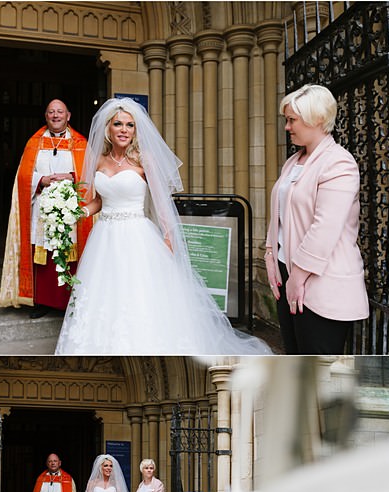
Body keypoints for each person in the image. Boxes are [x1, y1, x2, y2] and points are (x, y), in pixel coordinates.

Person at [54, 97, 271, 355]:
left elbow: (161, 202)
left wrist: (169, 238)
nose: (124, 130)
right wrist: (75, 212)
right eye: (118, 124)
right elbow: (99, 200)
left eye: (130, 125)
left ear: (136, 130)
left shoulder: (143, 159)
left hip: (137, 237)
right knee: (104, 297)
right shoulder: (99, 160)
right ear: (108, 129)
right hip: (104, 239)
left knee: (140, 296)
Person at [265, 84, 369, 354]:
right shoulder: (294, 161)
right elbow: (280, 210)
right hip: (288, 270)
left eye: (292, 120)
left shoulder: (339, 163)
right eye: (286, 120)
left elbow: (326, 226)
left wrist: (297, 276)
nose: (287, 127)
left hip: (321, 279)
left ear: (317, 119)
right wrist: (270, 255)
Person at [0, 99, 91, 318]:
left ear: (68, 116)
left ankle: (67, 301)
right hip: (42, 208)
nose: (56, 115)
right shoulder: (35, 143)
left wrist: (72, 177)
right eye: (51, 112)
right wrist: (41, 180)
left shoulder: (80, 143)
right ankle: (42, 302)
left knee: (68, 253)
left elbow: (91, 175)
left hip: (70, 209)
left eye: (60, 112)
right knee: (43, 255)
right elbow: (22, 176)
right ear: (46, 116)